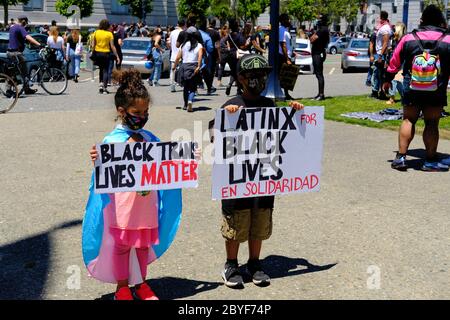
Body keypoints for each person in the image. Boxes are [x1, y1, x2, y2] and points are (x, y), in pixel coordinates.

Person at [83, 69, 184, 300]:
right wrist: (97, 158)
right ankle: (122, 287)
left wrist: (184, 157)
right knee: (122, 246)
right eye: (137, 112)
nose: (142, 116)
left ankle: (140, 284)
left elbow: (166, 159)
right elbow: (104, 170)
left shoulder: (150, 138)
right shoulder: (112, 140)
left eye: (146, 111)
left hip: (147, 205)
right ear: (122, 112)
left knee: (141, 246)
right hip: (124, 207)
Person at [209, 54, 304, 288]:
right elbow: (214, 135)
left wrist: (295, 113)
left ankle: (254, 262)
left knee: (259, 219)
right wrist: (226, 118)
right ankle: (231, 264)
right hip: (238, 178)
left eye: (262, 75)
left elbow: (284, 134)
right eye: (253, 76)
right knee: (236, 221)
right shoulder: (232, 104)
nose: (258, 80)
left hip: (263, 177)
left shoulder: (269, 105)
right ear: (241, 78)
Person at [383, 5, 450, 172]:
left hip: (412, 87)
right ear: (441, 21)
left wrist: (387, 79)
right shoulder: (448, 39)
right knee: (432, 123)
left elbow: (394, 62)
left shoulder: (408, 38)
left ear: (422, 21)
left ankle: (401, 158)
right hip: (437, 87)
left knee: (408, 120)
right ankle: (430, 161)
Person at [7, 15, 41, 94]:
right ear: (23, 21)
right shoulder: (20, 27)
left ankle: (10, 89)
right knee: (24, 71)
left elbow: (17, 38)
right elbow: (28, 37)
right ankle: (26, 89)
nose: (26, 24)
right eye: (26, 23)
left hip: (9, 52)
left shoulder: (12, 27)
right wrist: (39, 44)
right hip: (16, 53)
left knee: (13, 71)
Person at [173, 26, 203, 112]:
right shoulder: (199, 45)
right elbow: (200, 56)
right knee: (193, 87)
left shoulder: (184, 45)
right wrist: (198, 66)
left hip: (184, 67)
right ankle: (190, 101)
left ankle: (185, 105)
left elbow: (178, 57)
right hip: (193, 67)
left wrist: (174, 66)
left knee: (186, 87)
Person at [92, 19, 120, 94]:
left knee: (101, 69)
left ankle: (100, 84)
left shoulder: (96, 32)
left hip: (97, 52)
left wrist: (92, 52)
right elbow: (112, 46)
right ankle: (104, 87)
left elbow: (93, 44)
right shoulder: (109, 34)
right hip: (106, 53)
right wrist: (117, 56)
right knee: (105, 70)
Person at [372, 11, 392, 100]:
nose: (378, 19)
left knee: (380, 75)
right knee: (378, 74)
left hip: (382, 54)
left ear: (382, 18)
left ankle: (381, 93)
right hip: (380, 54)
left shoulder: (385, 28)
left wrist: (380, 56)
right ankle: (379, 92)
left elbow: (385, 43)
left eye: (379, 17)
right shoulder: (383, 27)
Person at [309, 14, 330, 101]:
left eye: (319, 19)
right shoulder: (321, 29)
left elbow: (312, 39)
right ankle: (319, 93)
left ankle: (321, 94)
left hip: (318, 53)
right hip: (317, 53)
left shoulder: (322, 30)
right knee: (318, 74)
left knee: (319, 74)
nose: (317, 21)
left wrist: (312, 34)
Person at [386, 22, 406, 105]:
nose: (393, 31)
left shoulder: (404, 38)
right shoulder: (395, 38)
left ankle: (392, 98)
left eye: (395, 29)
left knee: (394, 79)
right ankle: (404, 97)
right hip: (395, 60)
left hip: (401, 62)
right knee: (397, 81)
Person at [225, 18, 246, 96]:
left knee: (234, 72)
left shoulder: (229, 35)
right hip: (238, 55)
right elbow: (242, 45)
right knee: (239, 72)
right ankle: (238, 89)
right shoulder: (239, 35)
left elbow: (227, 43)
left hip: (230, 55)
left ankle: (231, 85)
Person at [279, 13, 294, 100]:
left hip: (285, 56)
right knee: (284, 77)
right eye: (288, 19)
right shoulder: (282, 30)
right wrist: (287, 59)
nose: (289, 21)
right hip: (282, 57)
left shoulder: (284, 30)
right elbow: (283, 44)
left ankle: (286, 94)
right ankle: (285, 95)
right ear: (284, 21)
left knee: (285, 77)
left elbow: (287, 45)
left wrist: (292, 52)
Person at [169, 19, 185, 92]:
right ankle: (184, 85)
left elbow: (170, 43)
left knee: (173, 70)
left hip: (173, 54)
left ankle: (172, 86)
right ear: (184, 24)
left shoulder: (172, 32)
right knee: (183, 70)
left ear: (177, 24)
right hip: (182, 54)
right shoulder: (184, 32)